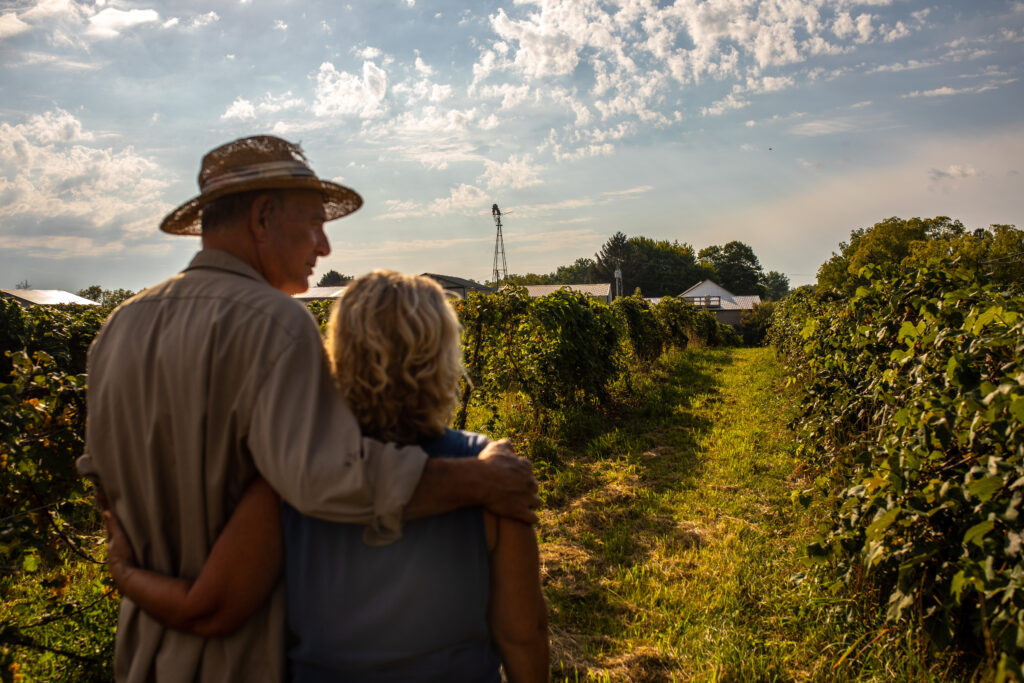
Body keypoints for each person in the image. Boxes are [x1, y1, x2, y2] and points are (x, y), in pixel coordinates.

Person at [80, 135, 539, 682]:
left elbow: (105, 487)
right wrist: (479, 482)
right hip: (240, 656)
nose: (324, 248)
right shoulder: (275, 323)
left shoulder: (117, 328)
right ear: (264, 216)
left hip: (143, 652)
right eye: (316, 224)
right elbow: (328, 479)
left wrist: (130, 576)